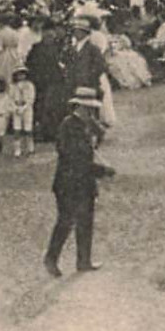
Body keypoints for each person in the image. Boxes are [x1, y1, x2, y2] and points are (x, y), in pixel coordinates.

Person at [43, 87, 113, 276]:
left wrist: (97, 132)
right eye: (88, 109)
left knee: (86, 221)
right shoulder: (68, 126)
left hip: (85, 182)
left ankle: (84, 261)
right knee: (66, 220)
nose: (92, 112)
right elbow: (76, 160)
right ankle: (51, 259)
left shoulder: (86, 124)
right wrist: (102, 171)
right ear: (79, 107)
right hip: (68, 182)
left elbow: (97, 142)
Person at [8, 68, 36, 158]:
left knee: (28, 129)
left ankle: (30, 148)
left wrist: (24, 108)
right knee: (17, 129)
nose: (21, 76)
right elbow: (10, 99)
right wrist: (15, 108)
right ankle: (17, 150)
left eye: (23, 74)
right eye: (19, 74)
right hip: (16, 108)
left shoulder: (30, 85)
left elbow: (31, 99)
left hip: (27, 108)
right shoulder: (12, 86)